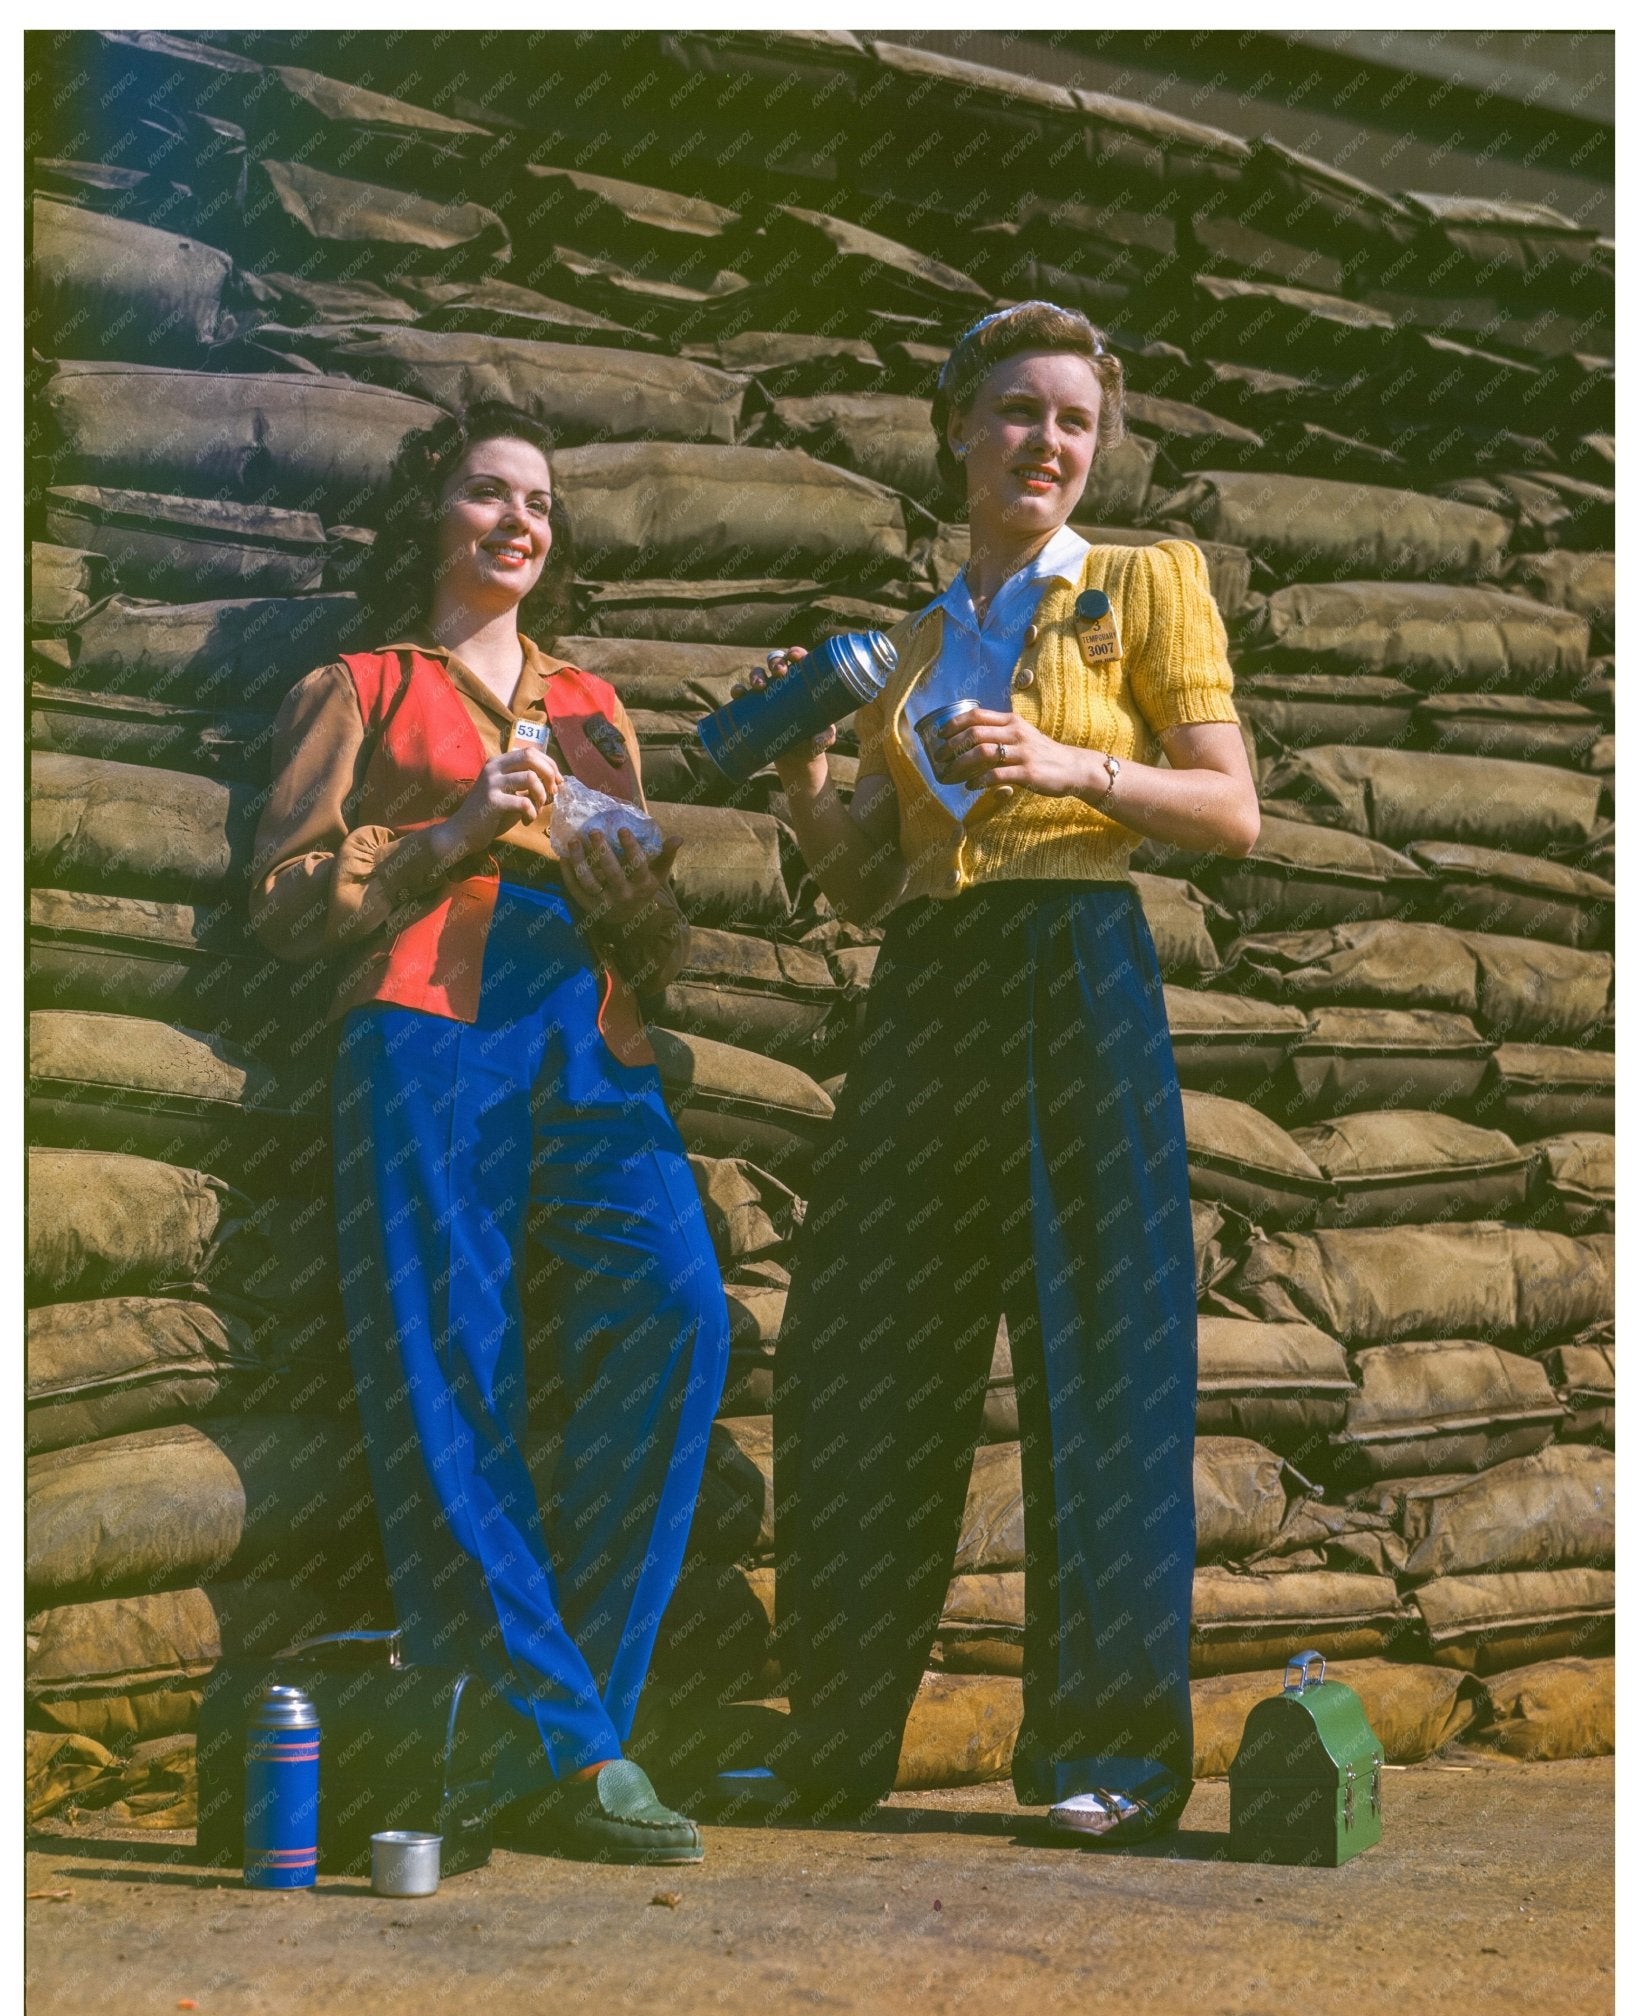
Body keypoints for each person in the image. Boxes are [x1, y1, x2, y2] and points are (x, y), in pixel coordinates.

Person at [715, 301, 1260, 1842]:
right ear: (956, 430)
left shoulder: (1147, 586)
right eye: (1018, 412)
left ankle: (1111, 1756)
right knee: (862, 1354)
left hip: (1078, 967)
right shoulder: (909, 644)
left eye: (1076, 421)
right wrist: (809, 773)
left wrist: (1070, 764)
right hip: (931, 984)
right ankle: (833, 1740)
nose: (1049, 444)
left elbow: (1232, 812)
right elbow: (867, 886)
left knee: (1101, 1352)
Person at [247, 402, 729, 1866]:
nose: (519, 521)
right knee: (447, 1361)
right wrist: (457, 830)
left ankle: (546, 1726)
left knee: (680, 1313)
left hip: (589, 1034)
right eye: (486, 493)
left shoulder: (593, 705)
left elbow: (662, 936)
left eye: (539, 501)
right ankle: (578, 1752)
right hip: (424, 1024)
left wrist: (623, 876)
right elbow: (279, 904)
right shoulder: (363, 685)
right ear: (432, 519)